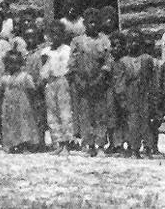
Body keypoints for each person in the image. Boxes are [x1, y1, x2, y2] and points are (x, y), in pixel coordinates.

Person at [68, 9, 110, 156]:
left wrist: (100, 78)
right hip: (83, 83)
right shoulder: (77, 41)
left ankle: (100, 145)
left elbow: (107, 62)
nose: (92, 25)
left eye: (95, 22)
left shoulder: (104, 40)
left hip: (99, 84)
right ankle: (88, 144)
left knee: (100, 115)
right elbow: (72, 64)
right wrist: (78, 80)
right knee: (85, 115)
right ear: (84, 23)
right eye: (89, 22)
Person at [120, 31, 157, 157]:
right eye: (130, 41)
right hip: (131, 94)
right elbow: (120, 81)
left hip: (145, 93)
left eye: (136, 41)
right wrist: (122, 97)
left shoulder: (147, 59)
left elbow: (152, 78)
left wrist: (153, 94)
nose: (133, 44)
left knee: (146, 122)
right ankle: (134, 148)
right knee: (133, 122)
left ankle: (148, 147)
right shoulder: (124, 61)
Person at [40, 20, 74, 155]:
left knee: (64, 113)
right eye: (52, 34)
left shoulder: (66, 50)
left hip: (62, 81)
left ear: (63, 35)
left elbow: (68, 68)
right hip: (50, 82)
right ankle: (58, 143)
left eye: (58, 34)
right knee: (52, 113)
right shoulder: (46, 51)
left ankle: (66, 144)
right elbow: (44, 69)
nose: (55, 37)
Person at [0, 50, 40, 153]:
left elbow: (32, 90)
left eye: (16, 63)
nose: (13, 66)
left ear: (21, 64)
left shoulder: (25, 76)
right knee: (9, 122)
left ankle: (25, 145)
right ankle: (11, 144)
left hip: (22, 103)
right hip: (8, 103)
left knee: (24, 123)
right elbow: (1, 90)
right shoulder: (4, 77)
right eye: (10, 63)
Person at [22, 25, 47, 148]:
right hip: (25, 89)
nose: (30, 40)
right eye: (27, 37)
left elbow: (42, 73)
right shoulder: (24, 54)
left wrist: (38, 86)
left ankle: (40, 141)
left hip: (37, 89)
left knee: (39, 115)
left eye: (33, 37)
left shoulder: (40, 54)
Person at [103, 31, 127, 155]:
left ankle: (120, 143)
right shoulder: (110, 61)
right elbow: (106, 74)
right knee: (111, 118)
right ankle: (112, 143)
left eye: (119, 46)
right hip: (111, 92)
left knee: (121, 117)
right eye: (113, 45)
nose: (116, 48)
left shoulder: (125, 61)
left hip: (123, 92)